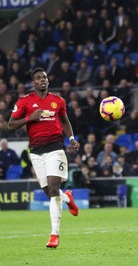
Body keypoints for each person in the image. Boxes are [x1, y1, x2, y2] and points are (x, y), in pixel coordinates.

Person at [8, 67, 80, 249]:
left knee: (54, 188)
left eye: (45, 77)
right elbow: (10, 125)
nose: (43, 80)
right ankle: (68, 198)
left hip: (56, 149)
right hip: (36, 152)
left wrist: (71, 138)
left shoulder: (58, 101)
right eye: (39, 78)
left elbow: (64, 121)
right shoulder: (25, 102)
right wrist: (28, 118)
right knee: (50, 193)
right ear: (33, 83)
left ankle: (54, 234)